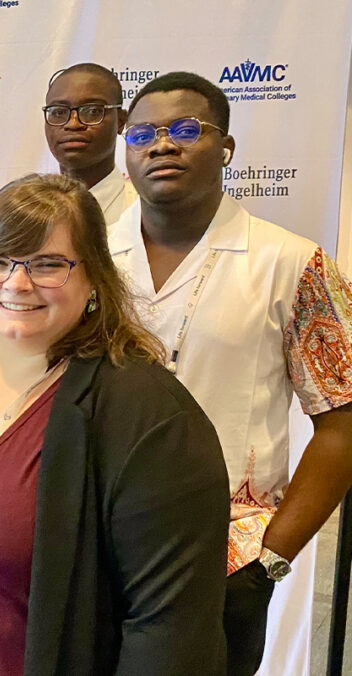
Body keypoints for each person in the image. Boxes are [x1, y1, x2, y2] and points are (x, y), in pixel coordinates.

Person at [0, 173, 230, 675]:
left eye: (48, 264)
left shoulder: (149, 417)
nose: (16, 283)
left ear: (94, 276)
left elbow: (171, 631)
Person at [108, 71, 352, 675]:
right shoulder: (88, 258)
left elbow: (343, 421)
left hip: (224, 563)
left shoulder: (291, 262)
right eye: (142, 134)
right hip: (95, 550)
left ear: (226, 147)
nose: (162, 145)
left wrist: (270, 558)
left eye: (186, 130)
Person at [44, 63, 137, 225]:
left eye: (92, 111)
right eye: (58, 112)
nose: (73, 124)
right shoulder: (23, 213)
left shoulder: (145, 211)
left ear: (121, 121)